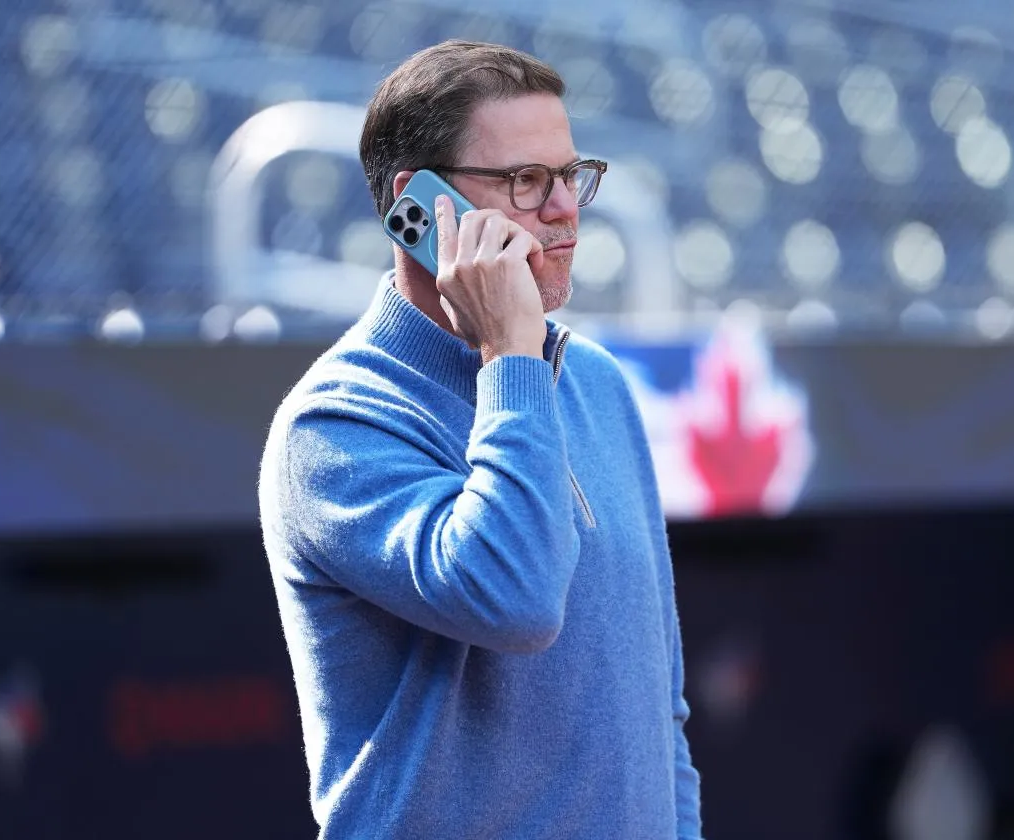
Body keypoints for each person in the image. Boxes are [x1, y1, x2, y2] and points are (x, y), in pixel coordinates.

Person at [259, 40, 703, 839]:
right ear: (419, 207)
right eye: (526, 181)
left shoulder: (594, 382)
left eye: (571, 176)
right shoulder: (332, 424)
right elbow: (518, 600)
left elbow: (657, 709)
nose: (565, 208)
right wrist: (509, 355)